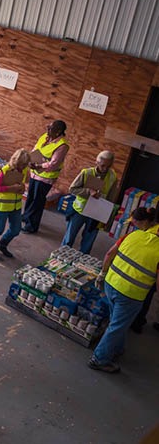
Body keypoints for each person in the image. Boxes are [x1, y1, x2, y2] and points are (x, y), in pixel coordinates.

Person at [89, 207, 159, 373]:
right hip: (131, 294)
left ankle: (116, 348)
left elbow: (109, 254)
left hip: (111, 283)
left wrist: (102, 273)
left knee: (117, 320)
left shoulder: (134, 234)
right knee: (118, 325)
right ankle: (99, 359)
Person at [62, 151, 119, 255]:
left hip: (96, 213)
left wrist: (106, 214)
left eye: (108, 166)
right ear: (96, 162)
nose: (105, 169)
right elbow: (73, 189)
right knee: (69, 237)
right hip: (80, 211)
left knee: (89, 240)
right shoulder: (86, 173)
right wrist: (88, 191)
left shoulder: (112, 177)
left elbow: (111, 197)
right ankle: (61, 255)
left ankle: (82, 260)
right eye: (102, 165)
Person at [21, 120, 69, 233]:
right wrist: (30, 159)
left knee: (38, 201)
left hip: (45, 177)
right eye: (48, 127)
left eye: (50, 129)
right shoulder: (45, 137)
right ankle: (26, 216)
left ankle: (32, 226)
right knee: (31, 196)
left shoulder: (62, 145)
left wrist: (39, 166)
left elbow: (54, 163)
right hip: (34, 173)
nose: (47, 130)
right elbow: (35, 149)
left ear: (58, 132)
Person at [0, 149, 30, 261]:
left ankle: (2, 244)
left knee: (16, 229)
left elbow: (21, 184)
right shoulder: (5, 171)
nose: (24, 167)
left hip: (15, 205)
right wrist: (12, 188)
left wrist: (22, 188)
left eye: (25, 165)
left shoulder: (23, 171)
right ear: (16, 161)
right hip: (1, 205)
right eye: (22, 164)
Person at [125, 208, 159, 334]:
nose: (134, 225)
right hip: (150, 269)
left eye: (135, 223)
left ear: (144, 221)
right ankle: (137, 320)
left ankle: (137, 322)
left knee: (145, 297)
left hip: (151, 271)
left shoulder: (153, 233)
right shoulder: (150, 228)